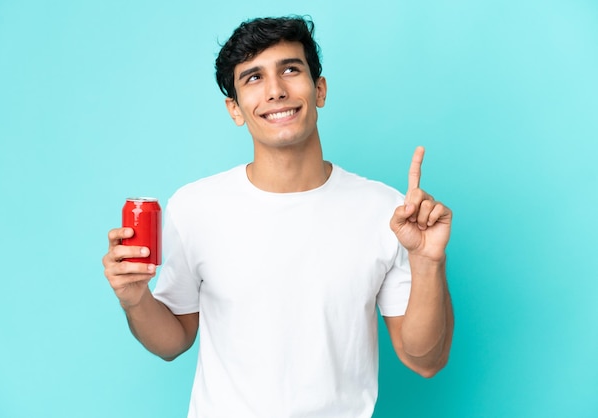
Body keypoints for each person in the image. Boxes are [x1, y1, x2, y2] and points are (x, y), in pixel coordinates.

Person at [103, 16, 454, 418]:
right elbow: (172, 341)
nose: (275, 91)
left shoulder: (385, 210)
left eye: (290, 69)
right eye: (253, 78)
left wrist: (429, 262)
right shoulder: (195, 207)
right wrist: (134, 300)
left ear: (319, 89)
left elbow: (424, 360)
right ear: (235, 109)